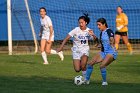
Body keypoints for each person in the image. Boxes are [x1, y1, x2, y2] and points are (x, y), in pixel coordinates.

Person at [57, 14, 98, 78]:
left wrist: (93, 35)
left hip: (85, 50)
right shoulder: (76, 30)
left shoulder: (89, 31)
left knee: (83, 66)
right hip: (76, 51)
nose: (80, 24)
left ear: (86, 23)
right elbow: (66, 38)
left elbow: (96, 40)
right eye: (79, 23)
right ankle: (86, 66)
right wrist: (61, 47)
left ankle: (86, 79)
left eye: (82, 22)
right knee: (77, 69)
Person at [84, 18, 117, 86]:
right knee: (90, 63)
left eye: (99, 25)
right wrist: (93, 35)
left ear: (104, 24)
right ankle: (86, 80)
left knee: (102, 66)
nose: (98, 27)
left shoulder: (109, 31)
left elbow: (112, 38)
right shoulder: (101, 33)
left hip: (111, 53)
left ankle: (104, 82)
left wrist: (111, 42)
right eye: (97, 25)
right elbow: (98, 43)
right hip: (103, 52)